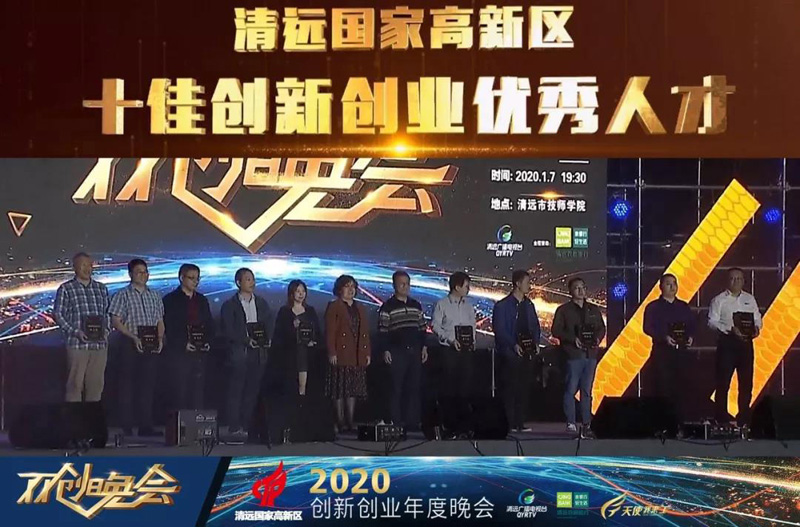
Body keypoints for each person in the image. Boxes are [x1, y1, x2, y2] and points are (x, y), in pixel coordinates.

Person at [109, 259, 165, 437]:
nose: (144, 275)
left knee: (147, 386)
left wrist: (160, 339)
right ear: (130, 274)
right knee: (127, 385)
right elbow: (116, 321)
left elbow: (160, 320)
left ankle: (145, 425)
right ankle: (126, 425)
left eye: (146, 272)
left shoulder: (154, 295)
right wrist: (133, 337)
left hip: (151, 343)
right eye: (139, 272)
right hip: (129, 342)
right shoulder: (122, 295)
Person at [221, 268, 273, 439]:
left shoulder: (261, 303)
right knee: (236, 390)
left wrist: (267, 339)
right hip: (239, 354)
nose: (252, 282)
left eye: (253, 279)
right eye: (248, 279)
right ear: (238, 282)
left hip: (258, 354)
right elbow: (228, 330)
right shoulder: (230, 305)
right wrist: (245, 340)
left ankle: (248, 424)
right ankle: (234, 425)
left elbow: (268, 325)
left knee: (253, 390)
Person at [552, 277, 606, 438]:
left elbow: (601, 328)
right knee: (571, 389)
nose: (581, 291)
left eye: (583, 287)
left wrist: (598, 339)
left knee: (587, 391)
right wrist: (571, 339)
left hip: (591, 355)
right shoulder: (563, 310)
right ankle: (571, 422)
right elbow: (556, 330)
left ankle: (587, 423)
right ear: (570, 291)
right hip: (573, 355)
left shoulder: (593, 309)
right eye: (577, 288)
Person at [708, 267, 762, 427]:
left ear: (744, 281)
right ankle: (721, 419)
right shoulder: (718, 300)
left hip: (746, 344)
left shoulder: (750, 299)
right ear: (727, 280)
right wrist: (730, 329)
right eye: (732, 278)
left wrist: (757, 328)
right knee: (723, 383)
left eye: (739, 278)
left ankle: (744, 419)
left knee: (746, 383)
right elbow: (711, 322)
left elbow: (757, 318)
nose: (736, 281)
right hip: (727, 343)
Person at [53, 252, 110, 403]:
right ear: (75, 267)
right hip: (77, 345)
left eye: (90, 265)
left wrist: (106, 330)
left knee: (96, 386)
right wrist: (75, 332)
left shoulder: (101, 288)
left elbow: (108, 313)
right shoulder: (66, 288)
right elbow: (58, 314)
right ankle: (74, 418)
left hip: (99, 346)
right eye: (83, 265)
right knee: (75, 386)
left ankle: (91, 417)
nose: (87, 268)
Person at [492, 270, 541, 433]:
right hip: (509, 354)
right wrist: (513, 345)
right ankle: (509, 422)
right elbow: (500, 330)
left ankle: (520, 422)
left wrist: (536, 343)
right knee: (510, 389)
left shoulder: (529, 305)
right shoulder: (502, 306)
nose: (529, 286)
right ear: (518, 284)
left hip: (528, 353)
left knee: (523, 388)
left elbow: (535, 327)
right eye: (527, 282)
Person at [379, 270, 428, 430]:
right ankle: (396, 421)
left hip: (415, 351)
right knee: (396, 387)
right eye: (402, 284)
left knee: (414, 387)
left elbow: (422, 328)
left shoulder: (416, 305)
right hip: (397, 351)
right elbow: (383, 330)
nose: (405, 287)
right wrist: (386, 350)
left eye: (407, 284)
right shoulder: (387, 306)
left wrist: (424, 347)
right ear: (394, 285)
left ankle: (412, 422)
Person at [642, 273, 696, 419]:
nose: (672, 287)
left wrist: (691, 336)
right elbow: (647, 327)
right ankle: (663, 421)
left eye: (674, 283)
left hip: (682, 353)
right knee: (662, 387)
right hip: (662, 352)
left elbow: (692, 325)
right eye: (668, 284)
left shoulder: (683, 306)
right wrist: (664, 337)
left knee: (681, 387)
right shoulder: (653, 307)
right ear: (661, 287)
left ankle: (680, 421)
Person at [162, 264, 213, 414]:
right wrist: (183, 343)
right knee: (180, 391)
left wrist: (207, 341)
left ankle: (196, 423)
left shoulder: (202, 300)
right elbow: (169, 326)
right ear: (181, 278)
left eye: (197, 279)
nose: (195, 282)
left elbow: (209, 323)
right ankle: (179, 424)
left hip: (200, 352)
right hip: (179, 353)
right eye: (191, 278)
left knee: (197, 390)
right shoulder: (170, 300)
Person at [432, 271, 477, 437]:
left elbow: (472, 325)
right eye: (466, 286)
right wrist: (451, 340)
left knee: (464, 389)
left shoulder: (468, 306)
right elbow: (435, 326)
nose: (468, 289)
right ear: (457, 287)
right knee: (449, 389)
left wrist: (472, 341)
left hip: (466, 352)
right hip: (448, 351)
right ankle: (449, 426)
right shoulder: (442, 304)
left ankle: (464, 426)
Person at [325, 275, 371, 432]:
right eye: (347, 286)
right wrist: (332, 351)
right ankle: (340, 421)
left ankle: (350, 421)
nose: (351, 289)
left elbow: (365, 332)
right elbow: (330, 331)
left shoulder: (360, 307)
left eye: (353, 286)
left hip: (356, 354)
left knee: (352, 389)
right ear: (339, 289)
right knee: (339, 389)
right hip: (340, 353)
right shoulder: (334, 306)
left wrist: (367, 353)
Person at [270, 280, 321, 397]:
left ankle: (303, 403)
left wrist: (313, 342)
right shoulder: (284, 311)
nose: (301, 294)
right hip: (289, 355)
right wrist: (292, 327)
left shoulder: (310, 311)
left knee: (305, 388)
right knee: (290, 388)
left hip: (306, 354)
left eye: (303, 291)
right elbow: (279, 334)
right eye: (298, 291)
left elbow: (317, 332)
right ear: (291, 293)